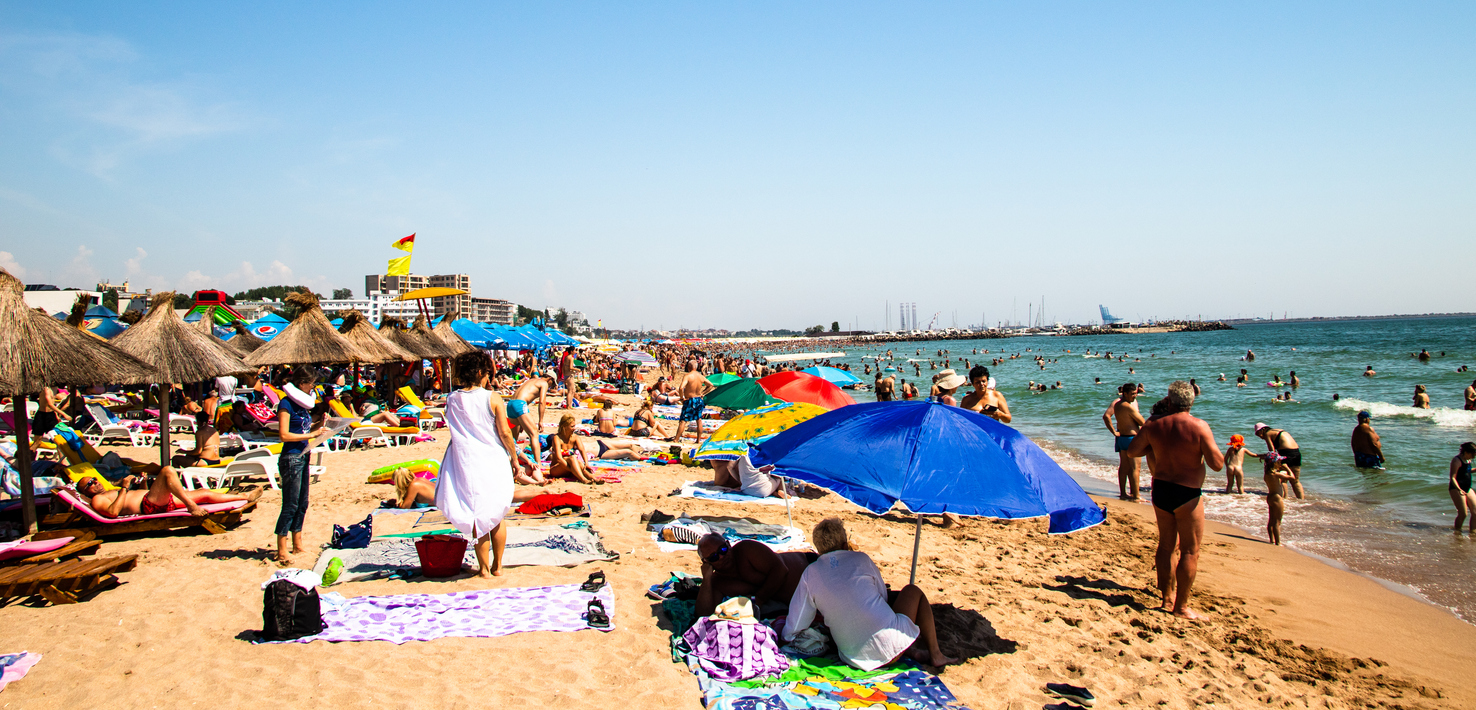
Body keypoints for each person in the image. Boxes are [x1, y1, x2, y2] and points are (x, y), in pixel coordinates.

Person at [783, 518, 956, 669]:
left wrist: (786, 635)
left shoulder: (810, 573)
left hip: (854, 658)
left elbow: (797, 621)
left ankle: (912, 651)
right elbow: (882, 596)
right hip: (893, 647)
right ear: (845, 545)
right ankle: (936, 654)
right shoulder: (861, 559)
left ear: (818, 550)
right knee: (912, 591)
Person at [1124, 381, 1224, 620]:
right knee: (1190, 550)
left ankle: (1166, 598)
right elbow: (1217, 464)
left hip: (1161, 489)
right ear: (1191, 401)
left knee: (1166, 545)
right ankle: (1180, 607)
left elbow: (1132, 452)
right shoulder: (1199, 426)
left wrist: (1157, 447)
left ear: (1169, 400)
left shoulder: (1154, 425)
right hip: (1186, 493)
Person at [436, 350, 519, 577]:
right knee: (496, 512)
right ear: (481, 372)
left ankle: (482, 568)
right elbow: (504, 432)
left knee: (476, 514)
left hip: (464, 459)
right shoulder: (491, 398)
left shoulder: (451, 399)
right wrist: (515, 457)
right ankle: (497, 566)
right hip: (492, 458)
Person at [275, 367, 327, 565]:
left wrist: (319, 426)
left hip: (304, 455)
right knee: (290, 503)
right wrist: (311, 435)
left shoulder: (302, 406)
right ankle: (281, 549)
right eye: (310, 383)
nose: (312, 386)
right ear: (301, 383)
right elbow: (284, 435)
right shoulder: (286, 404)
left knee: (302, 502)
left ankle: (297, 544)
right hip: (291, 457)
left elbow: (305, 430)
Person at [75, 466, 260, 519]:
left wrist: (144, 482)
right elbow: (113, 512)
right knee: (167, 471)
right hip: (148, 506)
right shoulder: (97, 500)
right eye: (90, 484)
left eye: (94, 479)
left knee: (203, 492)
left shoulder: (109, 491)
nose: (95, 483)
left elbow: (134, 496)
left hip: (152, 501)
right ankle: (190, 506)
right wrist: (124, 487)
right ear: (86, 492)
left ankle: (244, 496)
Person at [695, 534, 813, 616]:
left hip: (812, 567)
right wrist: (706, 579)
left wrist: (759, 599)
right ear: (706, 562)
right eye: (714, 557)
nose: (721, 556)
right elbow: (703, 615)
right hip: (803, 602)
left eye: (723, 549)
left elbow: (781, 570)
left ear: (728, 544)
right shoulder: (719, 582)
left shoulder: (745, 550)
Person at [1103, 383, 1145, 501]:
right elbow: (1142, 422)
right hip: (1131, 438)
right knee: (1135, 468)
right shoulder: (1127, 405)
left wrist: (1115, 432)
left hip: (1122, 438)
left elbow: (1107, 416)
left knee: (1124, 467)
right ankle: (1136, 496)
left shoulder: (1117, 405)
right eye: (1132, 394)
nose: (1134, 396)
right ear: (1124, 393)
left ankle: (1124, 493)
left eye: (1136, 393)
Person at [1254, 423, 1304, 498]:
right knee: (1295, 481)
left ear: (1263, 429)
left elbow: (1272, 453)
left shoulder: (1268, 434)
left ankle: (1284, 499)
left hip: (1285, 454)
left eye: (1259, 434)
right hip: (1297, 453)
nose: (1261, 437)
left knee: (1282, 480)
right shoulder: (1279, 431)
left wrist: (1264, 457)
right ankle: (1301, 501)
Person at [508, 373, 550, 463]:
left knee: (513, 438)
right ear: (549, 379)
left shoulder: (531, 381)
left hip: (510, 404)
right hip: (520, 404)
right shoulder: (544, 383)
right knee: (534, 434)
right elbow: (542, 402)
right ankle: (538, 464)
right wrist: (541, 421)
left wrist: (521, 421)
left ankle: (512, 463)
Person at [549, 414, 601, 484]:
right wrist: (571, 469)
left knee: (578, 462)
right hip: (557, 468)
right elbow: (559, 459)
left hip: (569, 467)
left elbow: (582, 450)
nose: (574, 428)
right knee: (572, 458)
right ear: (564, 427)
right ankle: (583, 479)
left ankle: (593, 478)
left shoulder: (575, 437)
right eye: (572, 426)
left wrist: (586, 463)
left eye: (574, 426)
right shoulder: (557, 438)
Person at [672, 361, 713, 444]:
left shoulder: (688, 376)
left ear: (690, 366)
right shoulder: (700, 376)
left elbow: (681, 388)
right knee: (699, 420)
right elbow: (710, 385)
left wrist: (681, 398)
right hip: (698, 399)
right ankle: (698, 440)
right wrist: (702, 393)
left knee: (683, 420)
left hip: (690, 400)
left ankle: (676, 439)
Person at [1262, 451, 1296, 545]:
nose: (1280, 464)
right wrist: (1287, 468)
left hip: (1270, 497)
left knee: (1271, 521)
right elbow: (1293, 478)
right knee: (1277, 522)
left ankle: (1272, 540)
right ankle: (1278, 542)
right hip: (1277, 498)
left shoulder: (1267, 474)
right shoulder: (1276, 475)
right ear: (1275, 463)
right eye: (1279, 462)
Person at [1449, 442, 1476, 533]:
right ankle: (1457, 532)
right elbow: (1452, 477)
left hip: (1467, 488)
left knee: (1475, 512)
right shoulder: (1456, 460)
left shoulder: (1468, 460)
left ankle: (1473, 533)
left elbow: (1467, 471)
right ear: (1466, 452)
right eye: (1472, 455)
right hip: (1456, 488)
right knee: (1463, 514)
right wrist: (1459, 489)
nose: (1473, 457)